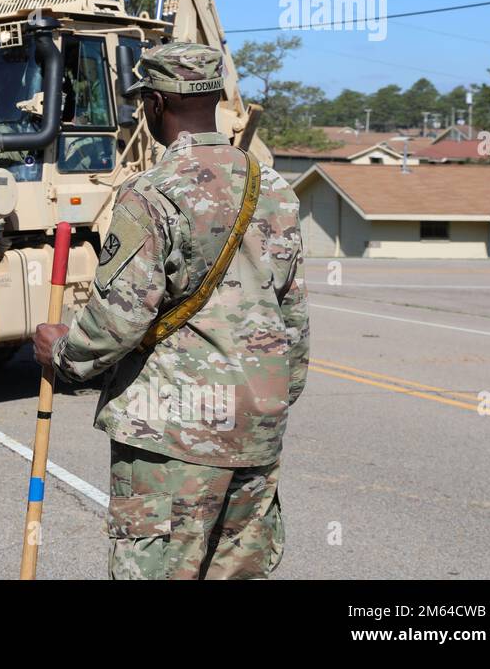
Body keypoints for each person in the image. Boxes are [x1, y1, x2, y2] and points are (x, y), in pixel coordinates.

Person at [32, 41, 309, 579]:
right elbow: (292, 315)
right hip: (256, 426)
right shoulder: (273, 188)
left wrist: (62, 353)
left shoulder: (153, 192)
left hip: (174, 433)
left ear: (155, 104)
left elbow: (120, 316)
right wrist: (273, 397)